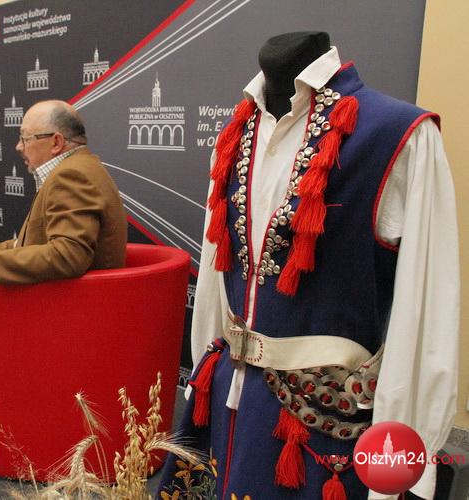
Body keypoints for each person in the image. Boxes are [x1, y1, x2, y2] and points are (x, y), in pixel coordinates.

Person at [158, 32, 459, 499]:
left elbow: (426, 304)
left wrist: (404, 456)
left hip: (324, 424)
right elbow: (219, 267)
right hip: (229, 400)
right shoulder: (235, 135)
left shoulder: (398, 135)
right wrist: (205, 381)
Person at [0, 99, 127, 400]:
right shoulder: (79, 167)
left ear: (56, 142)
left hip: (66, 315)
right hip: (66, 304)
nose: (18, 147)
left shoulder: (71, 176)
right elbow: (43, 242)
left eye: (25, 138)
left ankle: (38, 407)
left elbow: (69, 255)